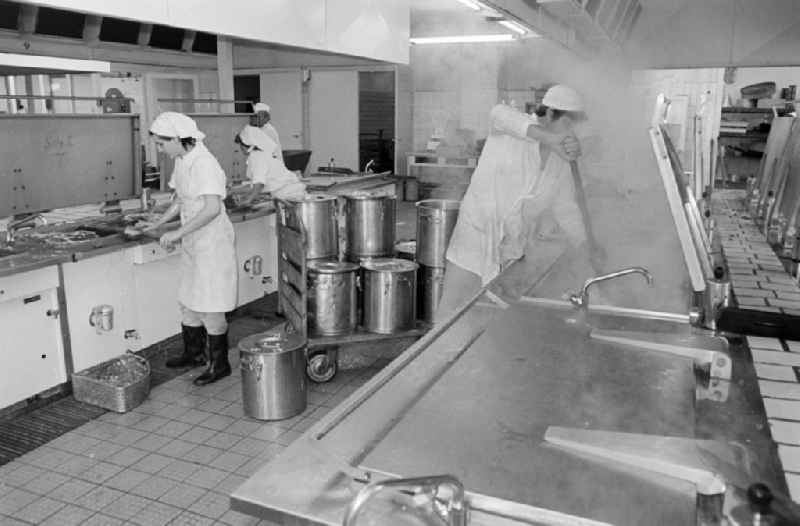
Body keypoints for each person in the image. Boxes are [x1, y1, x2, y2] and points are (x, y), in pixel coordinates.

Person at [434, 85, 586, 322]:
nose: (570, 132)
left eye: (574, 126)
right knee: (451, 311)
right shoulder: (511, 132)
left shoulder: (560, 163)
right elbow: (498, 113)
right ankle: (437, 357)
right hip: (474, 240)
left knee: (487, 317)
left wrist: (584, 245)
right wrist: (551, 139)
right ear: (547, 114)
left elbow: (566, 209)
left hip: (510, 251)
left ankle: (475, 358)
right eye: (566, 124)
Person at [138, 112, 238, 386]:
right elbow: (181, 200)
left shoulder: (204, 164)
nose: (159, 150)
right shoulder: (182, 161)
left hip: (212, 243)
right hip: (195, 242)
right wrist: (157, 221)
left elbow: (212, 209)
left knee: (211, 304)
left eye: (161, 144)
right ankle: (193, 353)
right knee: (188, 298)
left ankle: (220, 364)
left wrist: (176, 233)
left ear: (178, 139)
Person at [230, 125, 306, 205]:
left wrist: (248, 200)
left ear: (247, 144)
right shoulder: (261, 154)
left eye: (241, 145)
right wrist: (232, 191)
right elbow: (254, 186)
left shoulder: (257, 157)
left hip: (289, 195)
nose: (240, 148)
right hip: (287, 193)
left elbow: (259, 185)